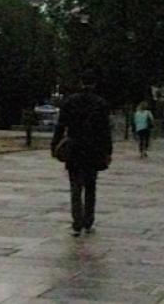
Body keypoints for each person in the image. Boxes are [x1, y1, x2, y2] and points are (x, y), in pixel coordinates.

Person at [51, 81, 112, 237]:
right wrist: (108, 150)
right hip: (94, 148)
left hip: (74, 148)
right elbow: (105, 130)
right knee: (90, 186)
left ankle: (77, 221)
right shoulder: (100, 103)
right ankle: (88, 220)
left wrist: (55, 145)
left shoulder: (70, 102)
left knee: (75, 186)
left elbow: (60, 125)